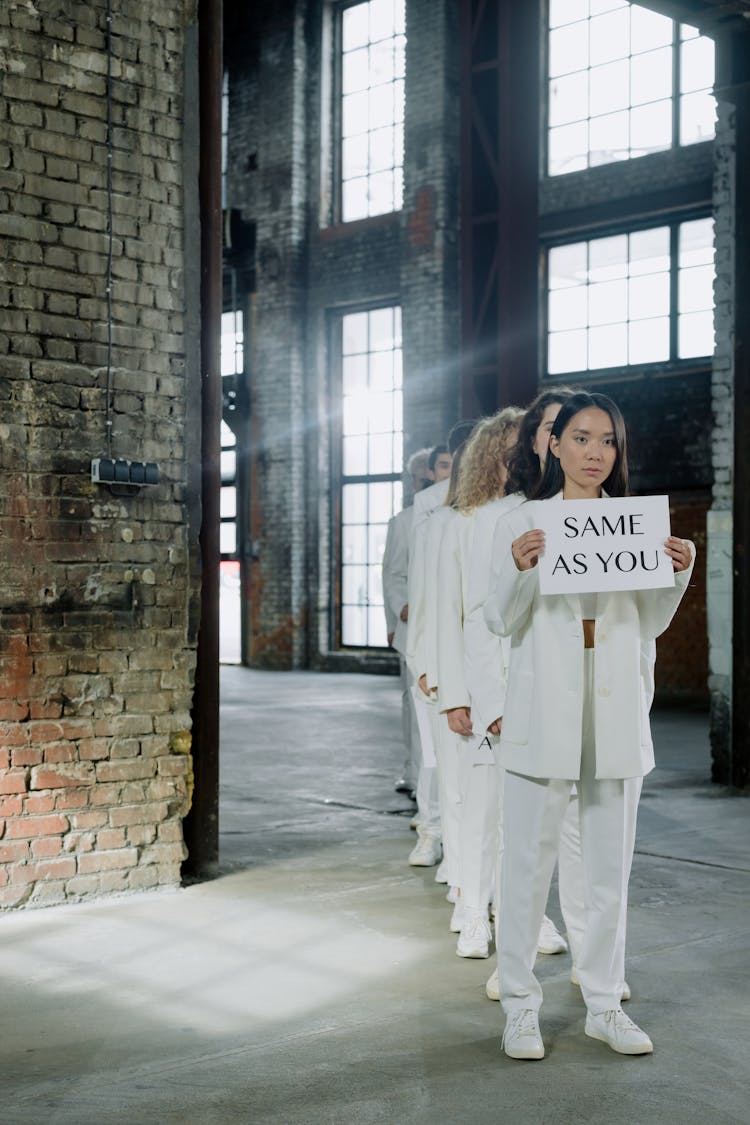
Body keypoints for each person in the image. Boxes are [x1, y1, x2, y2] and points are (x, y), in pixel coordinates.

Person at [484, 391, 695, 1060]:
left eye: (607, 440)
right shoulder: (521, 521)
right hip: (543, 701)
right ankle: (520, 1005)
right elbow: (499, 618)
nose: (595, 452)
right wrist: (519, 570)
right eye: (581, 437)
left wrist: (676, 575)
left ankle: (604, 1002)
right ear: (554, 445)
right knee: (525, 867)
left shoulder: (631, 525)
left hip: (612, 705)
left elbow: (651, 622)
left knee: (608, 867)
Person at [463, 390, 579, 996]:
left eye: (591, 433)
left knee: (580, 842)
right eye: (559, 429)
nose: (575, 442)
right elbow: (482, 618)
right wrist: (494, 705)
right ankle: (513, 959)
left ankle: (594, 965)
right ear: (539, 439)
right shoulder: (499, 518)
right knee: (520, 837)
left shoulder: (608, 517)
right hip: (520, 695)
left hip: (580, 702)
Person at [435, 406, 524, 955]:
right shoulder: (464, 523)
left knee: (531, 813)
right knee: (484, 804)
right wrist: (456, 693)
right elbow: (452, 613)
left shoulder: (544, 515)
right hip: (483, 677)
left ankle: (522, 912)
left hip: (534, 677)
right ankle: (473, 910)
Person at [382, 448, 432, 802]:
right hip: (413, 626)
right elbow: (393, 573)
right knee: (414, 704)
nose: (425, 482)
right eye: (418, 477)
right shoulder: (404, 522)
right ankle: (415, 774)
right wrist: (399, 610)